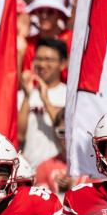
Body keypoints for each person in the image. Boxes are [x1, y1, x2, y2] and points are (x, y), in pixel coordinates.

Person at [18, 37, 68, 171]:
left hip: (60, 175)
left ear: (63, 63)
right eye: (38, 59)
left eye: (48, 60)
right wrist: (27, 97)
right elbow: (19, 136)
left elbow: (66, 133)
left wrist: (45, 100)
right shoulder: (23, 95)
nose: (42, 64)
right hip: (30, 174)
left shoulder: (69, 96)